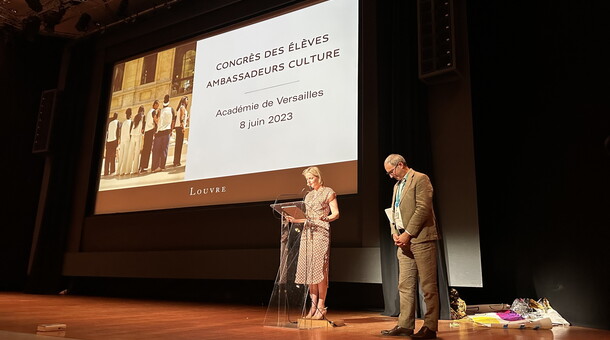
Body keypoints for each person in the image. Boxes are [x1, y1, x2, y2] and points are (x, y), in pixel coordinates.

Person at [381, 154, 440, 339]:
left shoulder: (421, 179)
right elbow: (394, 211)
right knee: (405, 285)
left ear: (400, 165)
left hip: (421, 239)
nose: (391, 176)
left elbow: (423, 208)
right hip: (403, 242)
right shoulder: (396, 186)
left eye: (391, 171)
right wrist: (394, 232)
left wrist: (408, 233)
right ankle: (405, 325)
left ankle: (430, 327)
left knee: (428, 286)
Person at [285, 166, 339, 320]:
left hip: (321, 232)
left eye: (311, 178)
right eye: (307, 179)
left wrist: (326, 218)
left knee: (319, 270)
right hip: (307, 233)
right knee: (309, 270)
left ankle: (321, 306)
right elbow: (306, 218)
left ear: (318, 177)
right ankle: (312, 306)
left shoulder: (328, 191)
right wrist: (294, 219)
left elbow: (336, 213)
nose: (308, 181)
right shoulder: (308, 196)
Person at [151, 95, 174, 173]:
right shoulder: (171, 110)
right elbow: (173, 121)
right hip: (167, 131)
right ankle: (162, 166)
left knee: (156, 150)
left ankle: (154, 167)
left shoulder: (160, 111)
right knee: (164, 149)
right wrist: (171, 130)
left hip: (159, 132)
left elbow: (156, 121)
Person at [139, 99, 159, 172]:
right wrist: (158, 124)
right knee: (148, 149)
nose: (158, 106)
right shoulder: (153, 111)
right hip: (150, 131)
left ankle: (141, 166)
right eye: (157, 105)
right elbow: (155, 120)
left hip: (147, 132)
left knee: (145, 149)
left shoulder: (149, 112)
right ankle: (144, 166)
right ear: (155, 104)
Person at [124, 105, 144, 175]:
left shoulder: (135, 116)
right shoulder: (142, 116)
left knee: (130, 153)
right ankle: (135, 170)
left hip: (133, 135)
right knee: (136, 154)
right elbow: (142, 128)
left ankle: (127, 170)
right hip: (138, 136)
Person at [172, 96, 188, 167]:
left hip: (177, 127)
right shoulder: (182, 107)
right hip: (180, 127)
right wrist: (183, 126)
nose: (188, 101)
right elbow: (181, 117)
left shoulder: (179, 108)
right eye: (187, 99)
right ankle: (177, 161)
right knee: (179, 145)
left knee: (177, 145)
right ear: (184, 100)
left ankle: (176, 161)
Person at [117, 108, 133, 176]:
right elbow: (130, 132)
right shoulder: (131, 122)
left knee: (121, 157)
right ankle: (123, 171)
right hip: (127, 140)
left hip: (122, 140)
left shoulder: (124, 123)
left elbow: (121, 133)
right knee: (126, 156)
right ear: (131, 114)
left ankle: (118, 171)